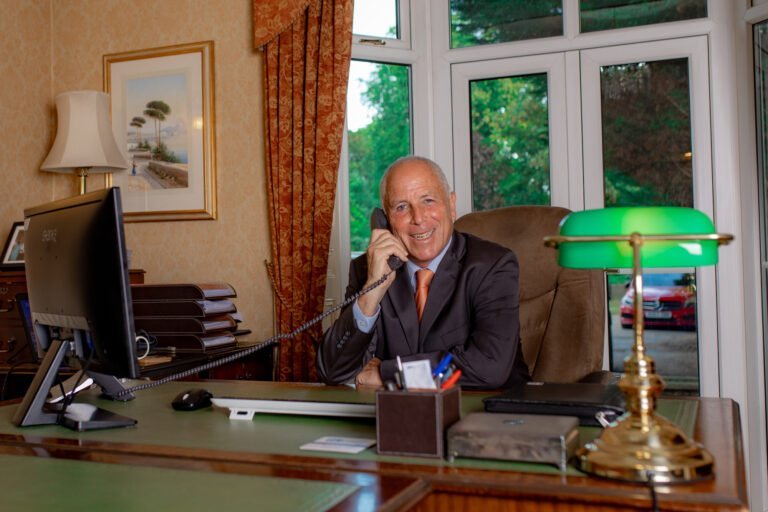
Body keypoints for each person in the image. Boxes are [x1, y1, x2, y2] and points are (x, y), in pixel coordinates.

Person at [317, 156, 530, 390]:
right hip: (398, 418)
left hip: (484, 416)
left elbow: (488, 367)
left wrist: (389, 374)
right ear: (385, 221)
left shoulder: (492, 265)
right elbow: (332, 371)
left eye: (428, 201)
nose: (418, 218)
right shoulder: (368, 270)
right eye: (401, 207)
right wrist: (372, 292)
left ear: (451, 204)